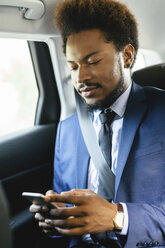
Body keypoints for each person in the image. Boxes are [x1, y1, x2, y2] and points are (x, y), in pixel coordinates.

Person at [30, 0, 165, 247]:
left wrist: (117, 217)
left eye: (92, 62)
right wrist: (58, 218)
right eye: (73, 66)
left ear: (126, 56)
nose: (80, 77)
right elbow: (67, 207)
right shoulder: (68, 130)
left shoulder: (161, 111)